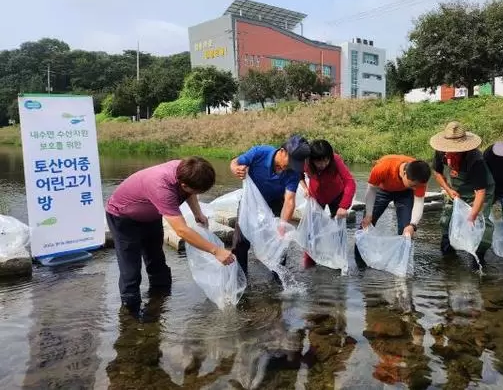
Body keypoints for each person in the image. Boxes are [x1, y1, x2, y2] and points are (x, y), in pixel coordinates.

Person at [106, 156, 234, 313]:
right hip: (123, 218)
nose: (196, 193)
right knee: (131, 269)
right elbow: (181, 230)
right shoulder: (162, 188)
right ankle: (130, 313)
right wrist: (216, 250)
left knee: (156, 261)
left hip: (151, 214)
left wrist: (197, 212)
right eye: (196, 191)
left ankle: (160, 301)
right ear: (183, 185)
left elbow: (190, 193)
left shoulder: (188, 169)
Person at [229, 134, 311, 278]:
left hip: (275, 201)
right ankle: (240, 276)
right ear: (282, 151)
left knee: (280, 239)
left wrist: (283, 225)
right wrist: (235, 168)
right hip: (251, 201)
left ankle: (278, 275)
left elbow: (289, 200)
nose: (292, 167)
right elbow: (235, 161)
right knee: (241, 240)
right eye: (291, 162)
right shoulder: (259, 153)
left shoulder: (293, 172)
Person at [430, 121, 495, 259]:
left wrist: (472, 216)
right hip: (456, 190)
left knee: (479, 223)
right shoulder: (441, 151)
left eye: (455, 153)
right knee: (447, 221)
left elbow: (480, 192)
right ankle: (448, 259)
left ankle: (478, 260)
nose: (450, 156)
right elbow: (437, 173)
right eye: (448, 152)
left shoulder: (475, 159)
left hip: (480, 191)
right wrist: (448, 189)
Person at [299, 139, 357, 267]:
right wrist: (304, 188)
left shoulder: (335, 160)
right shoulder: (306, 162)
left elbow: (350, 182)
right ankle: (310, 263)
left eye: (326, 160)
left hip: (337, 195)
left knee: (339, 230)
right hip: (316, 197)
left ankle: (339, 262)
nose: (323, 164)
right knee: (312, 231)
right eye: (319, 161)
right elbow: (298, 174)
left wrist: (344, 206)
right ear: (312, 159)